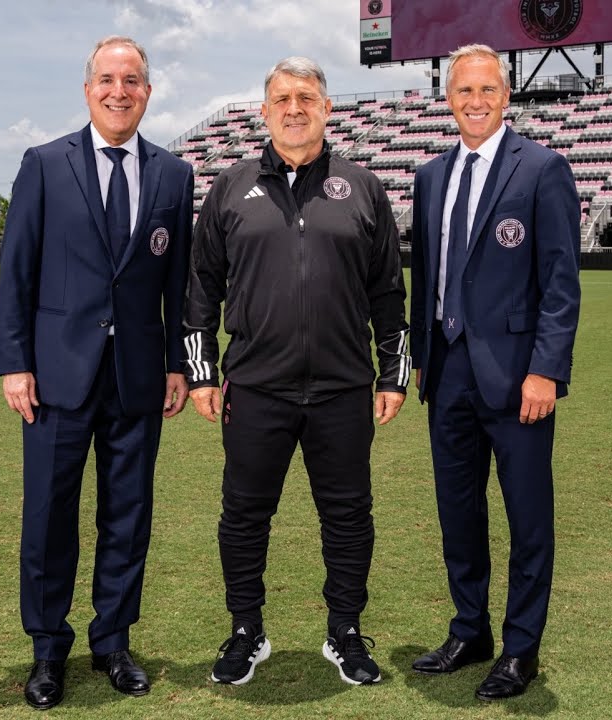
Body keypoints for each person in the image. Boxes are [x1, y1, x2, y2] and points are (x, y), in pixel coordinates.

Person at [184, 56, 411, 688]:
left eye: (306, 97)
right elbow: (202, 285)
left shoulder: (362, 187)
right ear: (264, 111)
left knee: (348, 515)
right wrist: (201, 371)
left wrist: (393, 374)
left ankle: (344, 630)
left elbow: (388, 293)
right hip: (255, 389)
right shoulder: (230, 188)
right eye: (282, 98)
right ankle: (245, 629)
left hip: (342, 388)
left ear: (326, 108)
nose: (294, 108)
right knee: (244, 515)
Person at [0, 35, 193, 710]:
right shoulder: (45, 164)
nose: (119, 91)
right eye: (107, 79)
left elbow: (176, 283)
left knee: (128, 515)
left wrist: (176, 366)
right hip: (54, 377)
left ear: (147, 92)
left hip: (137, 376)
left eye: (131, 80)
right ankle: (48, 651)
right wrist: (15, 361)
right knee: (49, 516)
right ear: (88, 90)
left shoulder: (174, 175)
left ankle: (113, 642)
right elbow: (16, 270)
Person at [407, 44, 581, 701]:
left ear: (506, 96)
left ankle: (521, 648)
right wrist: (423, 356)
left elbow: (560, 286)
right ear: (448, 98)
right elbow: (426, 275)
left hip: (517, 378)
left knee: (527, 516)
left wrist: (546, 370)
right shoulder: (429, 176)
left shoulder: (541, 169)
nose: (475, 101)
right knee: (459, 513)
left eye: (486, 90)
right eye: (463, 91)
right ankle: (468, 629)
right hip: (447, 371)